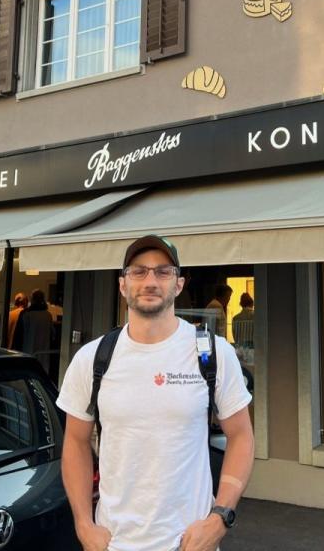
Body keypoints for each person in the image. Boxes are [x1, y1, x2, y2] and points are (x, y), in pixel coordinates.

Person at [56, 234, 254, 551]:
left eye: (163, 272)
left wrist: (220, 518)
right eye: (139, 271)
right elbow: (76, 442)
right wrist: (83, 524)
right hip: (114, 543)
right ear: (122, 285)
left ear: (178, 284)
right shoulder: (92, 359)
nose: (150, 281)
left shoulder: (213, 353)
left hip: (191, 544)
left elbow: (242, 436)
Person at [13, 289, 53, 372]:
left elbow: (18, 336)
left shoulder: (26, 314)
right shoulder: (48, 315)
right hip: (44, 354)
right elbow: (52, 334)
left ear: (32, 300)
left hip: (27, 352)